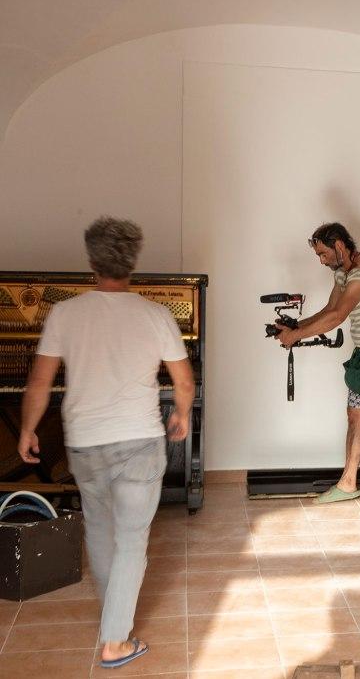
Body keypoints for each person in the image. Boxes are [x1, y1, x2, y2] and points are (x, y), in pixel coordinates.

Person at [18, 217, 195, 669]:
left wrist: (27, 428)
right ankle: (115, 640)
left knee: (99, 530)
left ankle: (112, 618)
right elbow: (184, 381)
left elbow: (39, 383)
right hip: (139, 441)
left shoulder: (64, 313)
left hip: (86, 442)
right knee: (132, 540)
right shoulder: (156, 315)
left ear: (91, 262)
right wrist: (181, 413)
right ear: (132, 261)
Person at [274, 222, 360, 515]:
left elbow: (338, 317)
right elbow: (329, 309)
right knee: (355, 416)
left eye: (323, 254)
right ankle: (348, 484)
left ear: (339, 246)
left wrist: (296, 336)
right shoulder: (342, 272)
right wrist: (295, 327)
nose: (321, 260)